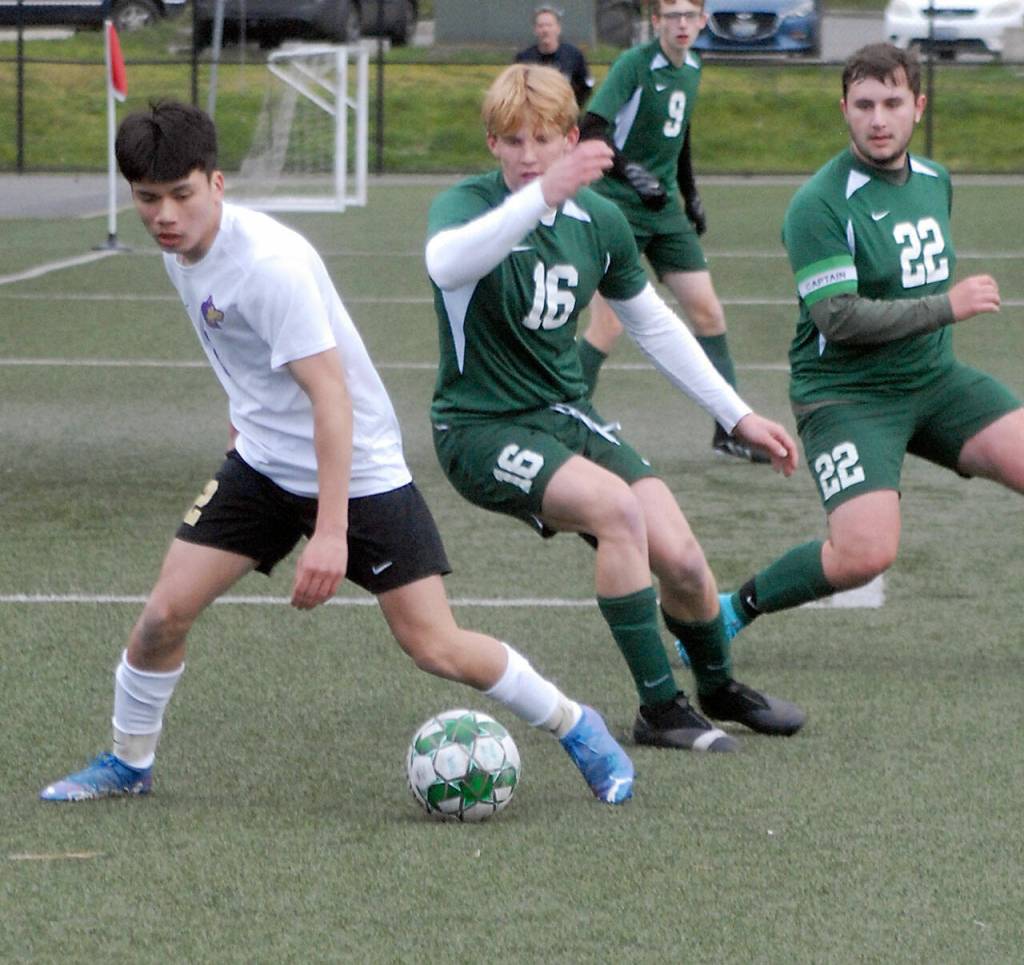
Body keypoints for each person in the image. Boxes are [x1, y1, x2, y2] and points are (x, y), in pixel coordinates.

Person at [39, 100, 635, 807]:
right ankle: (128, 761)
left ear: (217, 184)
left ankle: (577, 725)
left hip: (359, 472)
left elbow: (332, 398)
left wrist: (328, 533)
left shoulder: (270, 265)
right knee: (163, 615)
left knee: (434, 645)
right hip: (263, 463)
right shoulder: (183, 252)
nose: (165, 214)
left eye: (181, 195)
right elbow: (243, 356)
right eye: (147, 199)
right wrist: (243, 425)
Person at [425, 63, 806, 754]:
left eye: (543, 139)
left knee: (686, 561)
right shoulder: (469, 206)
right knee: (618, 511)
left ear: (572, 139)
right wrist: (536, 198)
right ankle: (660, 709)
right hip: (480, 427)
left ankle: (717, 686)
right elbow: (448, 264)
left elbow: (652, 323)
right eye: (512, 140)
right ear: (492, 145)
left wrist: (737, 414)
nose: (528, 154)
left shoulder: (599, 220)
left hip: (566, 414)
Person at [706, 43, 1023, 651]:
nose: (879, 119)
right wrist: (945, 307)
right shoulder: (818, 205)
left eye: (893, 103)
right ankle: (729, 610)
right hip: (848, 397)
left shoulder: (936, 181)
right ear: (844, 110)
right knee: (864, 553)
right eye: (865, 104)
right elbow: (839, 319)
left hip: (936, 382)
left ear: (918, 107)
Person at [574, 0, 767, 462]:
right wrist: (629, 173)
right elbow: (591, 129)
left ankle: (730, 429)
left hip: (664, 212)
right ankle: (561, 418)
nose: (682, 24)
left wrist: (690, 192)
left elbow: (679, 136)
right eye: (672, 15)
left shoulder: (693, 67)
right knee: (607, 324)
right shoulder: (633, 65)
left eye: (690, 15)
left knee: (708, 313)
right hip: (617, 206)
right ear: (656, 21)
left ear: (703, 21)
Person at [515, 4, 593, 108]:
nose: (545, 30)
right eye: (541, 26)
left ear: (558, 28)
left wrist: (573, 108)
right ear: (535, 30)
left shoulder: (574, 56)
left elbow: (586, 86)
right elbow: (516, 90)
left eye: (549, 25)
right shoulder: (524, 59)